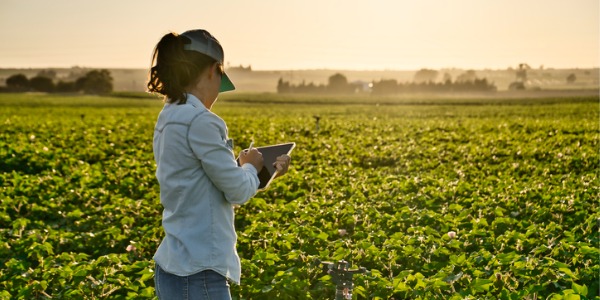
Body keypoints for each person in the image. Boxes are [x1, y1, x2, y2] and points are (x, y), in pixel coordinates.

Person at [147, 29, 291, 300]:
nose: (217, 94)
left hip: (173, 266)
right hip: (199, 271)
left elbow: (202, 181)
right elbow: (236, 191)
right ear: (214, 70)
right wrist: (250, 165)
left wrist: (256, 171)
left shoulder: (169, 115)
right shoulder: (203, 121)